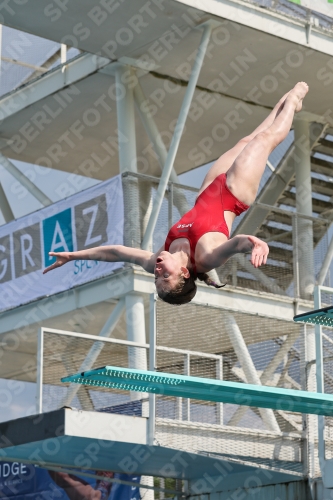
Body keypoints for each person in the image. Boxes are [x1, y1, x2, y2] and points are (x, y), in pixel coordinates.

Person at [44, 82, 309, 305]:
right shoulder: (205, 258)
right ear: (184, 272)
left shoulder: (157, 258)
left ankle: (288, 104)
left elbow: (116, 253)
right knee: (264, 141)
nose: (157, 273)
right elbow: (237, 244)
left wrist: (72, 256)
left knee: (245, 141)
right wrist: (256, 243)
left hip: (207, 192)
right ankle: (295, 98)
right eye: (165, 277)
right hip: (234, 193)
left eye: (156, 278)